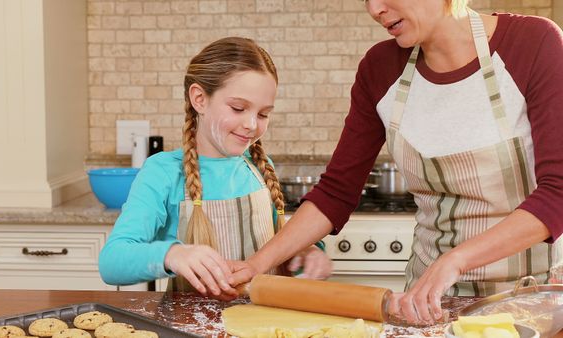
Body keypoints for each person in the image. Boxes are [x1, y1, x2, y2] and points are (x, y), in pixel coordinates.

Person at [229, 0, 563, 325]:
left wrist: (457, 259)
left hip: (532, 300)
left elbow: (557, 193)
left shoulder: (534, 43)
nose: (374, 9)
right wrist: (257, 264)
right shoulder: (380, 68)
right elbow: (335, 193)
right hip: (426, 304)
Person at [98, 37, 332, 298]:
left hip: (266, 324)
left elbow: (283, 243)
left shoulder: (259, 168)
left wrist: (308, 251)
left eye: (264, 114)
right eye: (238, 108)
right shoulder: (163, 172)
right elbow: (112, 261)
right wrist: (173, 254)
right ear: (199, 98)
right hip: (191, 327)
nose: (252, 124)